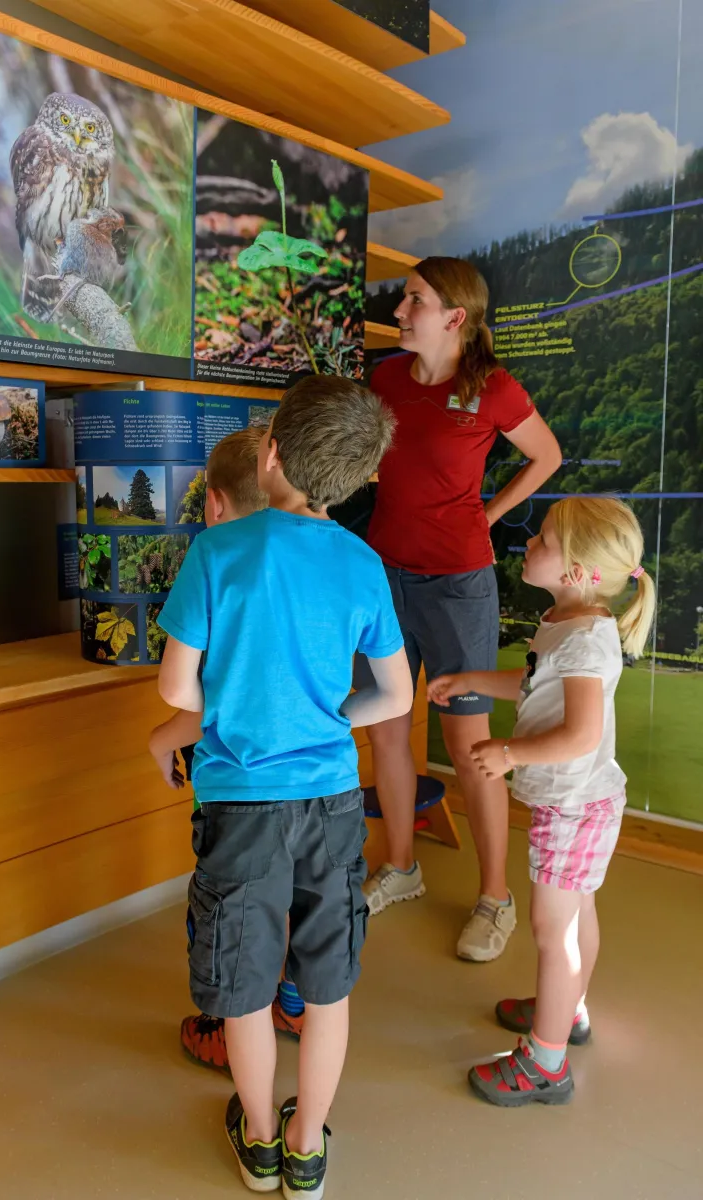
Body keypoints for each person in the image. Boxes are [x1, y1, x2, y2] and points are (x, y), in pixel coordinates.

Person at [156, 377, 412, 1198]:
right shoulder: (363, 563)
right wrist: (330, 715)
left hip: (239, 805)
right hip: (332, 804)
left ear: (269, 454)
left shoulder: (218, 551)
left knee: (243, 985)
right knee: (327, 985)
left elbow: (176, 690)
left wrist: (234, 704)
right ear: (357, 479)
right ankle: (306, 1150)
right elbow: (395, 696)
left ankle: (260, 1138)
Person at [358, 256, 563, 963]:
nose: (400, 310)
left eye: (414, 300)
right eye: (404, 298)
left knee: (473, 749)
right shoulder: (385, 379)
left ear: (455, 316)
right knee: (386, 730)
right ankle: (400, 867)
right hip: (384, 576)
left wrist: (489, 512)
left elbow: (546, 456)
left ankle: (494, 898)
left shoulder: (492, 387)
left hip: (456, 584)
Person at [428, 497, 655, 1105]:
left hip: (573, 807)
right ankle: (566, 1007)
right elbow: (535, 685)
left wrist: (509, 753)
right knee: (575, 917)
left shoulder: (585, 642)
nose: (529, 541)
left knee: (555, 931)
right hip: (579, 802)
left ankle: (545, 1063)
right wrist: (473, 681)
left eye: (544, 538)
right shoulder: (567, 622)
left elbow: (580, 734)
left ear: (577, 571)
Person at [148, 426, 306, 1073]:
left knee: (233, 915)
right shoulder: (310, 561)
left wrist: (161, 740)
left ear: (213, 503)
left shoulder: (214, 559)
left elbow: (206, 700)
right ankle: (291, 1001)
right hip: (314, 791)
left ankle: (224, 1029)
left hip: (237, 792)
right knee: (293, 897)